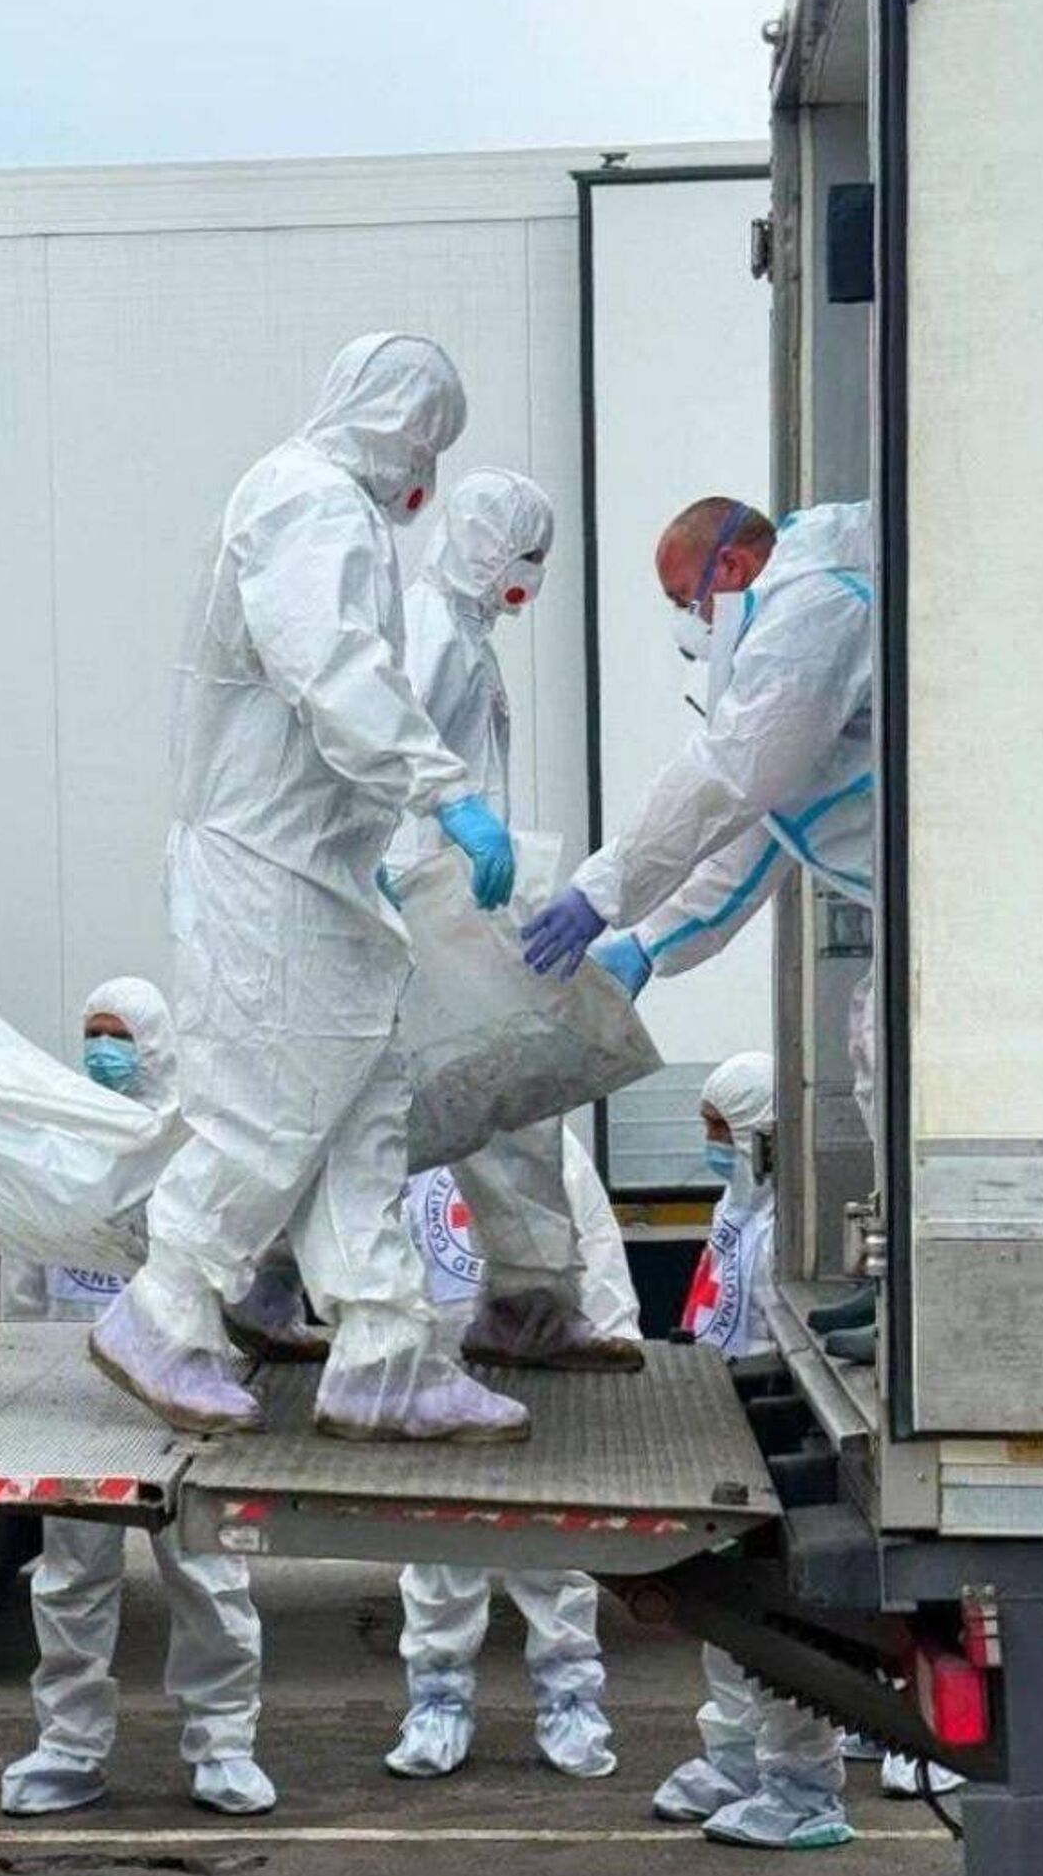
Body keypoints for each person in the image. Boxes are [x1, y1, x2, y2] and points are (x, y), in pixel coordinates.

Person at [90, 332, 529, 1444]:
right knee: (272, 1108)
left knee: (358, 1112)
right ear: (395, 420)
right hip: (269, 870)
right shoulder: (307, 499)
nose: (427, 467)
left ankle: (384, 1350)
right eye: (427, 437)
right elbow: (328, 666)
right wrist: (443, 791)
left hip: (315, 869)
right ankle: (164, 1308)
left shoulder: (338, 510)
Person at [522, 496, 878, 1358]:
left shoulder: (813, 608)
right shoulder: (798, 609)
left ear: (732, 566)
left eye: (686, 600)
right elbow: (763, 830)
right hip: (910, 894)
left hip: (944, 892)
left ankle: (912, 1291)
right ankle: (898, 1282)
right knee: (878, 1051)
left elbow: (729, 779)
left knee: (888, 1054)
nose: (690, 623)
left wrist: (604, 891)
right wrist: (650, 941)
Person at [0, 979, 275, 1819]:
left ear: (155, 1042)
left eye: (118, 1035)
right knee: (70, 1582)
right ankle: (68, 1746)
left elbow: (239, 1274)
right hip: (80, 1404)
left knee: (209, 1575)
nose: (103, 1051)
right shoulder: (65, 1142)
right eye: (92, 1033)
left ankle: (224, 1746)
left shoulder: (194, 1147)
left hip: (180, 1404)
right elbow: (25, 1279)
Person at [387, 466, 642, 1372]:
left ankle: (528, 1304)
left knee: (511, 1095)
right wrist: (392, 871)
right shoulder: (427, 627)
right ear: (485, 544)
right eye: (524, 553)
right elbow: (386, 750)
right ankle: (260, 1282)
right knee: (369, 1107)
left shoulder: (467, 636)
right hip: (421, 906)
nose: (531, 573)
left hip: (461, 902)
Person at [384, 1127, 639, 1784]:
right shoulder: (404, 1146)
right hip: (437, 1380)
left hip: (536, 1383)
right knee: (439, 1551)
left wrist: (614, 1344)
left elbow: (595, 1247)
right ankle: (437, 1701)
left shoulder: (543, 1146)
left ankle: (571, 1700)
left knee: (551, 1550)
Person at [653, 1053, 852, 1852]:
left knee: (780, 1623)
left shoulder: (792, 1228)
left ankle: (805, 1790)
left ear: (763, 1133)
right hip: (728, 1427)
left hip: (776, 1432)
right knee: (729, 1615)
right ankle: (737, 1760)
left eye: (721, 1130)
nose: (711, 1145)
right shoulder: (738, 1207)